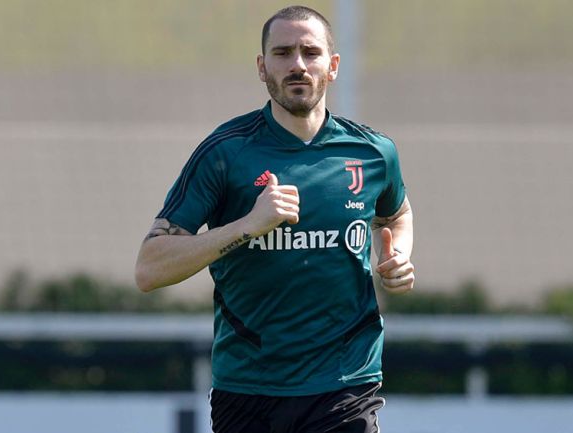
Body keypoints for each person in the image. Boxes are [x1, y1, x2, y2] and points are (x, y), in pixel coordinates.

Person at [135, 5, 414, 432]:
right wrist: (247, 226)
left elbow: (396, 214)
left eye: (310, 52)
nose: (297, 65)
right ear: (262, 67)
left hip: (345, 383)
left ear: (332, 66)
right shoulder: (225, 153)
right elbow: (150, 268)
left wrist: (397, 259)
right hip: (250, 389)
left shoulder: (373, 152)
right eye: (282, 53)